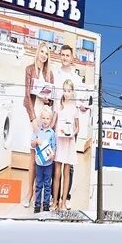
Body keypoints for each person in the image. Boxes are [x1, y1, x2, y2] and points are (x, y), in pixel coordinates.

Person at [52, 80, 80, 211]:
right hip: (59, 140)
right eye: (64, 90)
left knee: (66, 172)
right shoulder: (59, 105)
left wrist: (71, 133)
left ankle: (63, 202)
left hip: (69, 142)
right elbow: (53, 122)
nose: (66, 93)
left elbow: (77, 128)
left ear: (72, 91)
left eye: (69, 90)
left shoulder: (75, 107)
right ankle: (55, 201)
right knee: (57, 172)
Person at [31, 106, 57, 212]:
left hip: (48, 164)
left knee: (47, 184)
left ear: (51, 120)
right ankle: (37, 204)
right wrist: (36, 141)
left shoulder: (51, 133)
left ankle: (46, 204)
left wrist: (53, 154)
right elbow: (32, 144)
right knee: (38, 184)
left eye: (48, 119)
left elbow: (54, 146)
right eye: (43, 118)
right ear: (40, 119)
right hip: (39, 163)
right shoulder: (37, 131)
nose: (45, 121)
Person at [23, 44, 53, 122]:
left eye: (46, 54)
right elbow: (27, 95)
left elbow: (51, 99)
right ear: (38, 52)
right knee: (30, 133)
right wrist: (32, 118)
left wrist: (47, 100)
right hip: (31, 110)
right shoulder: (29, 69)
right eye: (42, 51)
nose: (44, 55)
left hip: (43, 113)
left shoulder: (50, 74)